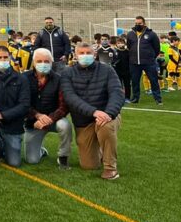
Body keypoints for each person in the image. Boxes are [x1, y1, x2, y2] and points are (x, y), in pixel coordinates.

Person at [61, 42, 125, 180]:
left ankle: (110, 168)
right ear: (75, 55)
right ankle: (101, 151)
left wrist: (109, 113)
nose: (85, 56)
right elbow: (70, 98)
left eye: (88, 53)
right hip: (83, 122)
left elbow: (116, 93)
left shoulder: (107, 70)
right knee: (89, 165)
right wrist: (94, 112)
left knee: (106, 127)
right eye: (81, 53)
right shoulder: (67, 73)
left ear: (94, 54)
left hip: (107, 116)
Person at [23, 48, 71, 169]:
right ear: (33, 62)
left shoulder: (59, 79)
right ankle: (41, 150)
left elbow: (64, 106)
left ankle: (63, 157)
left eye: (46, 61)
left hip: (54, 120)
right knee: (32, 160)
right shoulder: (23, 78)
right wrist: (37, 117)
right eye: (39, 61)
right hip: (34, 123)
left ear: (51, 62)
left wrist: (49, 118)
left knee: (65, 125)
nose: (43, 64)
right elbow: (22, 104)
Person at [126, 16, 162, 105]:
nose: (138, 25)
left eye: (140, 23)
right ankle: (135, 98)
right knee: (134, 81)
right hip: (134, 63)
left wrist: (151, 57)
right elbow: (129, 46)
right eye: (136, 23)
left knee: (153, 80)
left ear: (144, 23)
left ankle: (158, 99)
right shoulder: (130, 34)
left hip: (149, 62)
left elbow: (157, 48)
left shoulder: (151, 34)